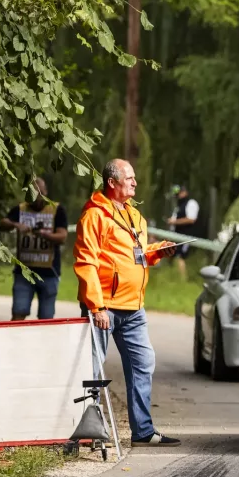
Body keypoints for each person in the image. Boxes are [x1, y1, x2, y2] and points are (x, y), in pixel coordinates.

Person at [73, 160, 181, 447]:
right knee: (92, 370)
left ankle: (142, 431)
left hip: (133, 308)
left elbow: (136, 253)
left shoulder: (134, 215)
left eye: (134, 178)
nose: (135, 182)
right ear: (112, 182)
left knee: (143, 363)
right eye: (129, 178)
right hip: (104, 308)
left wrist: (157, 252)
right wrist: (96, 307)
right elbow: (86, 262)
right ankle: (89, 433)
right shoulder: (94, 215)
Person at [0, 177, 67, 321]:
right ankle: (16, 337)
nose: (37, 198)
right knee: (18, 313)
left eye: (40, 193)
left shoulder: (57, 210)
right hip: (23, 272)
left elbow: (62, 237)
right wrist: (15, 225)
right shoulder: (20, 209)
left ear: (45, 192)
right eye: (33, 194)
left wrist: (45, 235)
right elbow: (3, 223)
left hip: (49, 273)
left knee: (46, 319)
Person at [165, 184, 201, 281]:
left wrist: (174, 221)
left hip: (187, 236)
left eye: (180, 193)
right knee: (170, 254)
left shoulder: (191, 203)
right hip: (176, 235)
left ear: (185, 192)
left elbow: (191, 219)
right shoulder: (178, 207)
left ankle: (183, 280)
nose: (178, 196)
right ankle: (170, 278)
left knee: (180, 257)